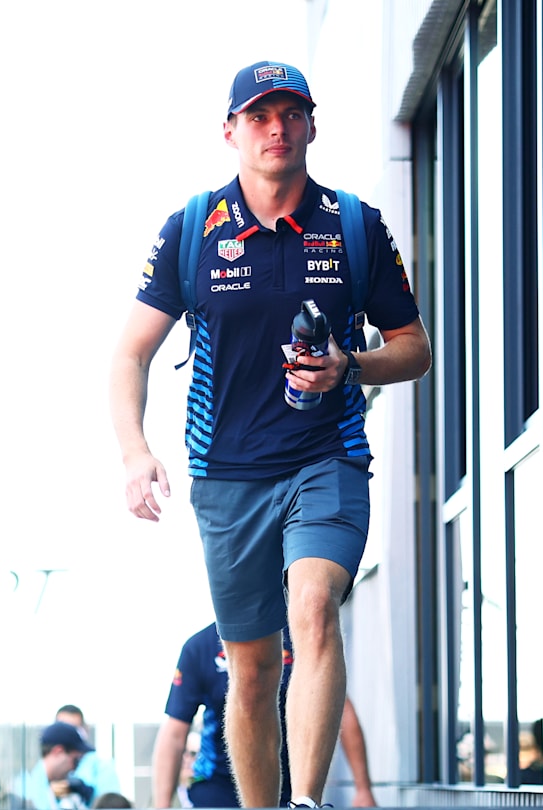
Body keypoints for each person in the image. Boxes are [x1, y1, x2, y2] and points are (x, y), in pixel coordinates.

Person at [110, 60, 430, 810]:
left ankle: (307, 803)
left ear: (313, 126)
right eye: (259, 116)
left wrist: (350, 366)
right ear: (231, 131)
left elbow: (414, 348)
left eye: (291, 114)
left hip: (328, 460)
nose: (277, 129)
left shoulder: (353, 225)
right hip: (226, 478)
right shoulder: (192, 230)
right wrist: (135, 451)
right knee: (250, 673)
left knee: (313, 610)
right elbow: (129, 352)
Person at [151, 621, 377, 808]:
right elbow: (174, 733)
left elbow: (341, 711)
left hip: (291, 790)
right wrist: (162, 805)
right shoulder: (199, 648)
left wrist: (363, 789)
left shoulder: (301, 638)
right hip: (217, 790)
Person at [14, 722, 93, 810]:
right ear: (58, 751)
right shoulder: (26, 794)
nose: (74, 769)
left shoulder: (57, 790)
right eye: (75, 761)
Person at [52, 706, 120, 804]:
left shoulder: (102, 766)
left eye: (73, 729)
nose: (68, 736)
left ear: (85, 730)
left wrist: (89, 794)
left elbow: (112, 804)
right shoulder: (45, 769)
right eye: (62, 729)